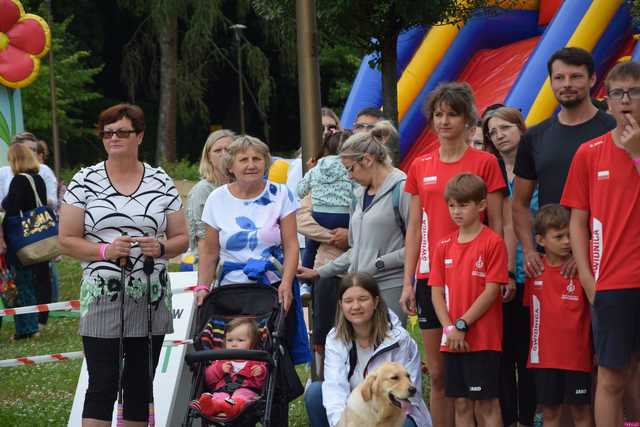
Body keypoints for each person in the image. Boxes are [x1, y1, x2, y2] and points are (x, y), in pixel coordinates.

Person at [58, 103, 189, 425]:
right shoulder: (84, 180)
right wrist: (105, 250)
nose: (114, 137)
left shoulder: (161, 181)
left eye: (122, 132)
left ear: (139, 136)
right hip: (102, 295)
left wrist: (159, 246)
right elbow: (67, 239)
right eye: (108, 132)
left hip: (151, 296)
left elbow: (181, 239)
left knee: (139, 387)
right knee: (102, 384)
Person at [400, 81, 506, 427]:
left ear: (467, 120)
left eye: (452, 115)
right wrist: (408, 281)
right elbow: (414, 227)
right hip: (433, 280)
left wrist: (504, 274)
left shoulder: (485, 162)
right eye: (438, 115)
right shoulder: (419, 165)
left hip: (477, 278)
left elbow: (499, 221)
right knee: (442, 374)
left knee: (482, 379)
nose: (444, 122)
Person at [195, 135, 310, 424]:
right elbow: (209, 249)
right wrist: (202, 287)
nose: (251, 164)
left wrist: (286, 282)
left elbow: (291, 244)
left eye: (257, 158)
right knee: (228, 352)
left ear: (266, 162)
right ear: (230, 165)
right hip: (230, 291)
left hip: (271, 286)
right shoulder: (216, 198)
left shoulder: (281, 194)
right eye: (244, 159)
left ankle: (275, 412)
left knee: (272, 352)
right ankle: (229, 404)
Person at [561, 60, 640, 427]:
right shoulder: (589, 153)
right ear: (606, 101)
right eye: (618, 93)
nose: (625, 101)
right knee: (611, 375)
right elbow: (577, 221)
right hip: (613, 283)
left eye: (635, 92)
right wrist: (590, 282)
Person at [513, 47, 616, 279]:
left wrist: (585, 251)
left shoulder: (614, 131)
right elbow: (519, 203)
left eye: (576, 76)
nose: (566, 84)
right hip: (555, 264)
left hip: (608, 257)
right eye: (559, 78)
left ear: (592, 79)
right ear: (551, 82)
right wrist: (530, 250)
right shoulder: (534, 136)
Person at [297, 121, 411, 324]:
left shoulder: (401, 188)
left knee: (389, 351)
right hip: (359, 287)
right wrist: (319, 272)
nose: (349, 177)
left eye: (350, 169)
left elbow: (416, 244)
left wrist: (379, 263)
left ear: (367, 160)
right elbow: (356, 250)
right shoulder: (359, 193)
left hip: (391, 286)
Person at [304, 272, 431, 427]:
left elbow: (412, 393)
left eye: (363, 299)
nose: (356, 306)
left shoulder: (400, 338)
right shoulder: (334, 338)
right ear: (341, 305)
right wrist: (340, 423)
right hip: (355, 412)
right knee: (315, 393)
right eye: (348, 301)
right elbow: (334, 387)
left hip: (394, 414)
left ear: (376, 301)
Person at [430, 173, 508, 427]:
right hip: (452, 339)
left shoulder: (493, 243)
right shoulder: (443, 245)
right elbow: (436, 292)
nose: (456, 211)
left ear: (481, 205)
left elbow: (491, 290)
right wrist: (449, 328)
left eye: (463, 205)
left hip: (482, 338)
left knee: (486, 403)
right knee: (461, 403)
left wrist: (462, 325)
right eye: (451, 205)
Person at [484, 107, 537, 427]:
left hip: (534, 269)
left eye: (505, 127)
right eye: (493, 131)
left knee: (529, 352)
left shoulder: (539, 168)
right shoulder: (491, 173)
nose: (500, 134)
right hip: (499, 273)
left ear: (520, 128)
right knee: (503, 354)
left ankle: (530, 417)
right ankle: (508, 418)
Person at [524, 204, 593, 427]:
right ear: (541, 241)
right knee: (550, 413)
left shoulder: (583, 270)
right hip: (544, 358)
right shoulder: (533, 271)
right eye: (559, 236)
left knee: (581, 412)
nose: (567, 241)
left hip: (577, 357)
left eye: (569, 235)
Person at [297, 130, 353, 302]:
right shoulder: (351, 167)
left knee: (312, 242)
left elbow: (300, 190)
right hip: (345, 215)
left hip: (321, 214)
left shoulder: (317, 168)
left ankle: (305, 282)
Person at [2, 143, 45, 340]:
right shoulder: (38, 179)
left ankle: (26, 329)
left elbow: (11, 210)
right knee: (30, 283)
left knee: (21, 285)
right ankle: (33, 323)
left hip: (21, 242)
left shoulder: (18, 181)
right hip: (38, 239)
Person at [191, 318, 268, 419]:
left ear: (252, 343)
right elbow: (208, 380)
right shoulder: (220, 360)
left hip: (246, 391)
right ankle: (211, 407)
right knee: (218, 397)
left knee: (241, 396)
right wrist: (219, 370)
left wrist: (261, 373)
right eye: (229, 340)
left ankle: (230, 409)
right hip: (222, 391)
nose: (234, 344)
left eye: (240, 340)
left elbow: (261, 385)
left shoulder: (256, 361)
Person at [186, 129, 234, 260]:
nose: (223, 154)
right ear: (209, 157)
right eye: (218, 150)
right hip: (212, 263)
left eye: (228, 150)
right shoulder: (203, 190)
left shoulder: (244, 186)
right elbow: (202, 237)